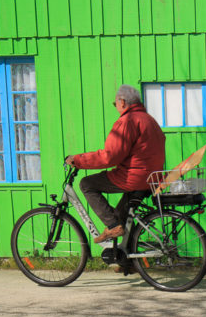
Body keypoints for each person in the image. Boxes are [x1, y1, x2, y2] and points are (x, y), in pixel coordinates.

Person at [65, 85, 166, 244]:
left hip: (133, 177)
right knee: (122, 216)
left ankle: (112, 226)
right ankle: (124, 259)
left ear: (123, 102)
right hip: (152, 178)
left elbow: (109, 157)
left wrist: (78, 160)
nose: (116, 107)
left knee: (87, 184)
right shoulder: (150, 120)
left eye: (115, 104)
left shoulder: (127, 121)